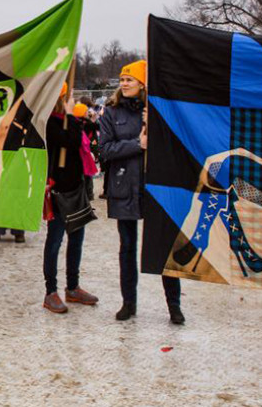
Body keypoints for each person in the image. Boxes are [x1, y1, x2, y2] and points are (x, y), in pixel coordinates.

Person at [97, 60, 184, 325]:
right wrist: (138, 143)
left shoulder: (158, 111)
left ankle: (174, 306)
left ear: (143, 84)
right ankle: (128, 303)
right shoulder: (111, 112)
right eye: (122, 79)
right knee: (127, 248)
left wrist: (156, 127)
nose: (123, 84)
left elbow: (176, 145)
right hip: (124, 186)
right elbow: (105, 150)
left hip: (155, 187)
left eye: (129, 79)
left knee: (163, 247)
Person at [43, 85, 100, 313]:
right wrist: (69, 116)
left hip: (75, 189)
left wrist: (74, 119)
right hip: (58, 191)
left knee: (76, 238)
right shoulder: (50, 122)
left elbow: (81, 141)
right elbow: (71, 141)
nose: (72, 100)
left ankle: (73, 287)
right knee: (55, 241)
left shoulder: (70, 121)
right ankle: (50, 291)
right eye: (68, 97)